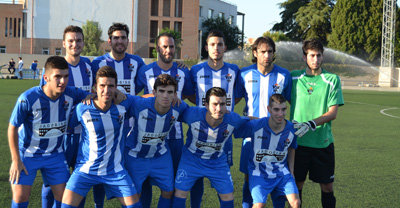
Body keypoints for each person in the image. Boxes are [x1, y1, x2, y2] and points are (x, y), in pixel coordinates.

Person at [8, 56, 88, 208]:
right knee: (20, 198)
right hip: (28, 154)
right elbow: (12, 128)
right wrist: (16, 160)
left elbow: (96, 97)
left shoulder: (72, 94)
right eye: (57, 77)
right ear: (46, 77)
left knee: (65, 199)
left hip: (55, 154)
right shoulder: (28, 98)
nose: (63, 81)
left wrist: (96, 96)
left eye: (66, 76)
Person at [61, 66, 141, 208]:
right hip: (86, 169)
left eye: (111, 86)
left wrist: (172, 98)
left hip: (115, 171)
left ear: (116, 87)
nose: (106, 90)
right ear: (95, 87)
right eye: (102, 85)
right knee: (66, 206)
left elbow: (146, 100)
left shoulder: (124, 104)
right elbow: (69, 127)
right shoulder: (82, 108)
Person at [136, 32, 194, 208]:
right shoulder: (145, 71)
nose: (169, 50)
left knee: (172, 184)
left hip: (175, 136)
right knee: (146, 182)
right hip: (150, 134)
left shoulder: (183, 72)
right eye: (165, 46)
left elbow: (190, 97)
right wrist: (155, 98)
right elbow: (134, 96)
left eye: (171, 46)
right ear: (157, 49)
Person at [40, 25, 95, 208]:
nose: (75, 44)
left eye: (78, 40)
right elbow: (43, 100)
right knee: (52, 183)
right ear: (64, 43)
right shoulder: (53, 67)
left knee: (80, 183)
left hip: (85, 136)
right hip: (59, 136)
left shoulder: (89, 65)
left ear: (83, 43)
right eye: (71, 41)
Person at [91, 22, 145, 207]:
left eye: (123, 37)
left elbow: (142, 90)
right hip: (104, 127)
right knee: (99, 171)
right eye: (116, 38)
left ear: (128, 40)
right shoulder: (97, 63)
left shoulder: (137, 62)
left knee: (129, 175)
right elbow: (93, 92)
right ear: (109, 41)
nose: (119, 41)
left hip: (129, 128)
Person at [187, 30, 241, 208]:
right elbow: (189, 94)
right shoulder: (195, 70)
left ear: (225, 47)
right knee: (196, 176)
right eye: (212, 44)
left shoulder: (233, 70)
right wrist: (206, 111)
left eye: (219, 44)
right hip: (199, 130)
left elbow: (237, 96)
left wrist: (224, 110)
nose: (216, 48)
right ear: (206, 47)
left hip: (224, 132)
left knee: (222, 178)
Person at [237, 36, 292, 208]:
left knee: (278, 176)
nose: (266, 55)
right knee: (249, 177)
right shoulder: (244, 74)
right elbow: (234, 99)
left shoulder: (284, 75)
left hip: (277, 134)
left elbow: (292, 102)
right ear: (255, 52)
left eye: (270, 51)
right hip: (252, 134)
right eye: (262, 52)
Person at [172, 87, 249, 208]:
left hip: (217, 162)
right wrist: (172, 97)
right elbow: (172, 108)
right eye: (215, 104)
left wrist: (271, 120)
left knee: (228, 197)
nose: (219, 108)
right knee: (180, 193)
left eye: (222, 104)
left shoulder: (233, 119)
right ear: (206, 105)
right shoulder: (192, 115)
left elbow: (251, 121)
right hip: (191, 160)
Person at [290, 39, 344, 208]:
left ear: (322, 56)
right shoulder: (293, 78)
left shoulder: (332, 79)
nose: (316, 59)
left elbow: (332, 113)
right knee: (297, 187)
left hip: (323, 143)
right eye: (312, 55)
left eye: (318, 55)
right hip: (298, 144)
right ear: (304, 56)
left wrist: (311, 123)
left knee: (327, 187)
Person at [125, 74, 188, 208]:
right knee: (134, 196)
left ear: (175, 94)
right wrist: (91, 95)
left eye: (170, 92)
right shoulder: (139, 104)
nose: (165, 96)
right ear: (154, 92)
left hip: (160, 155)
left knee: (168, 191)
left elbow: (198, 115)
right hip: (136, 156)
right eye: (161, 91)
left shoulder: (179, 107)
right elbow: (118, 97)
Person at [235, 94, 300, 208]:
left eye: (283, 109)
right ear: (268, 109)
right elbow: (235, 129)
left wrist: (292, 170)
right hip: (258, 172)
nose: (280, 114)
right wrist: (249, 118)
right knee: (259, 205)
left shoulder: (291, 128)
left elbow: (291, 148)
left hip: (281, 172)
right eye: (276, 109)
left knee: (295, 203)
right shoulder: (256, 125)